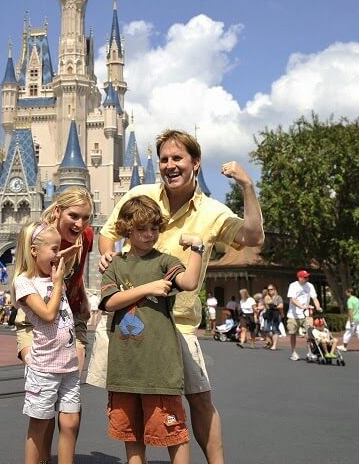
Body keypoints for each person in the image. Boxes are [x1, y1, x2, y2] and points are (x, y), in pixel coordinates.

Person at [97, 129, 264, 464]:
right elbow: (107, 233)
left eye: (177, 158)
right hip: (132, 321)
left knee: (200, 399)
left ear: (195, 163)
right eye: (164, 159)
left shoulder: (213, 212)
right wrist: (107, 256)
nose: (170, 165)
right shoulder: (141, 194)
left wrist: (247, 186)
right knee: (133, 401)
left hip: (180, 323)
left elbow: (252, 236)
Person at [100, 195, 207, 464]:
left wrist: (197, 248)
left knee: (174, 432)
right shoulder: (116, 264)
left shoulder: (165, 262)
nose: (149, 235)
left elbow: (191, 281)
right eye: (141, 229)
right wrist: (148, 288)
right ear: (127, 229)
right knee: (131, 434)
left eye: (154, 228)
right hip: (125, 368)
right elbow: (110, 302)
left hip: (160, 367)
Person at [16, 186, 94, 459]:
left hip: (71, 322)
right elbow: (30, 290)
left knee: (71, 413)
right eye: (74, 215)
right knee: (44, 417)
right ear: (58, 211)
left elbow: (77, 273)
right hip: (37, 325)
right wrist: (26, 347)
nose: (80, 223)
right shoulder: (41, 237)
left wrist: (81, 293)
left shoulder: (86, 236)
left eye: (86, 217)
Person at [12, 221, 82, 464]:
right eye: (54, 249)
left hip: (69, 365)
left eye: (58, 249)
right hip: (44, 367)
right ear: (33, 251)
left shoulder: (52, 271)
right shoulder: (24, 282)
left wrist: (61, 253)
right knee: (40, 425)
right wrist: (58, 282)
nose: (57, 254)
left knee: (71, 422)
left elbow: (49, 257)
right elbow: (49, 314)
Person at [286, 270, 322, 361]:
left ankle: (310, 352)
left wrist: (318, 307)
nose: (307, 279)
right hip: (293, 314)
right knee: (292, 333)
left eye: (307, 277)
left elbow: (314, 298)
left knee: (310, 332)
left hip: (306, 313)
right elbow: (293, 300)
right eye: (305, 277)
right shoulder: (293, 285)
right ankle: (293, 352)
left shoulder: (310, 286)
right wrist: (301, 306)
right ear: (300, 278)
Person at [339, 287, 359, 353]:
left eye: (346, 292)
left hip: (353, 319)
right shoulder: (357, 299)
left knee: (348, 332)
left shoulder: (350, 300)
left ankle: (344, 346)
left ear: (349, 292)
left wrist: (351, 320)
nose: (346, 293)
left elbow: (350, 310)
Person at [262, 285, 283, 350]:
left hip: (276, 313)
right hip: (268, 314)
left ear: (274, 289)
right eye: (268, 290)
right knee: (265, 329)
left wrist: (275, 306)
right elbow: (266, 306)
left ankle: (274, 345)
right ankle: (271, 341)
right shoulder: (266, 297)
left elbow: (281, 306)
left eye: (271, 289)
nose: (270, 291)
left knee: (274, 329)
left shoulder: (278, 297)